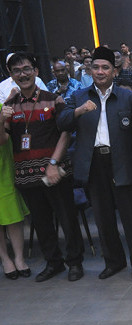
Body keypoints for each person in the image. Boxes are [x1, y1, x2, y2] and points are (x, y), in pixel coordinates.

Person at [57, 46, 132, 279]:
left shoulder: (128, 97)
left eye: (105, 68)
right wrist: (78, 111)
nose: (100, 72)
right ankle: (113, 261)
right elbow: (62, 123)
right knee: (103, 216)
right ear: (90, 69)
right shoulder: (79, 96)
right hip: (93, 163)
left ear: (114, 71)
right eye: (96, 67)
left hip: (123, 161)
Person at [0, 52, 85, 281]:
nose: (23, 74)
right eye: (17, 71)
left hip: (54, 172)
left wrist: (54, 164)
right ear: (11, 76)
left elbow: (66, 134)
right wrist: (0, 119)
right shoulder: (9, 106)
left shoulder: (53, 99)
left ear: (36, 72)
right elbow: (3, 140)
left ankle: (75, 262)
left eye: (27, 69)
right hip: (26, 176)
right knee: (42, 222)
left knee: (67, 219)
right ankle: (53, 262)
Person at [0, 91, 30, 280]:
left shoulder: (3, 108)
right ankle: (5, 259)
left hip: (4, 166)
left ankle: (19, 257)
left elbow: (2, 139)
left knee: (12, 214)